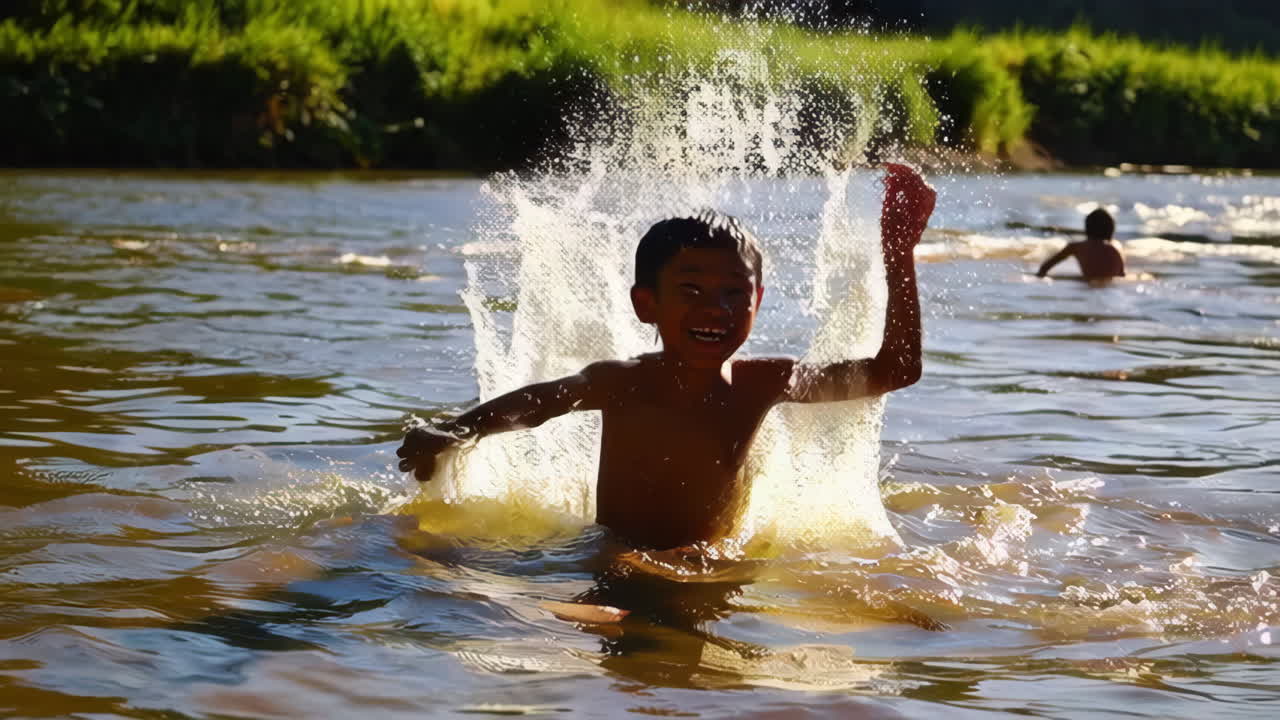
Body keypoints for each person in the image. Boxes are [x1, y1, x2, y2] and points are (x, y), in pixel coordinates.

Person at [396, 164, 935, 554]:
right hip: (613, 556)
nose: (716, 308)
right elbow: (539, 402)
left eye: (733, 292)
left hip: (710, 567)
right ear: (646, 304)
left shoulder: (764, 383)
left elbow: (896, 370)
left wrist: (898, 251)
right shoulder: (622, 382)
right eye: (692, 289)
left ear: (759, 300)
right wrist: (456, 430)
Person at [1036, 208, 1125, 281]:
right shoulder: (1116, 248)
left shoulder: (1076, 247)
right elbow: (1121, 275)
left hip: (1087, 285)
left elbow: (1044, 268)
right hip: (1111, 287)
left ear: (1087, 228)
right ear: (1110, 231)